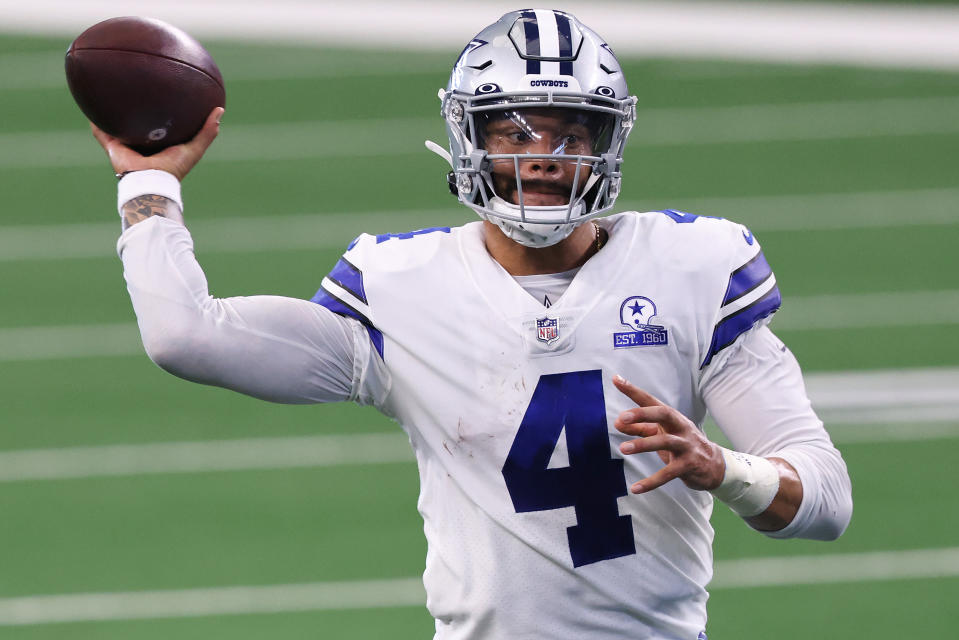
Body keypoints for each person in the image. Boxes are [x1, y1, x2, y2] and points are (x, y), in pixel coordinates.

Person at [92, 9, 852, 640]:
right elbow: (185, 337)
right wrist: (148, 183)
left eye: (569, 133)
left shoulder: (693, 268)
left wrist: (723, 468)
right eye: (514, 133)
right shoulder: (400, 289)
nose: (543, 158)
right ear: (469, 139)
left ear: (606, 144)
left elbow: (824, 500)